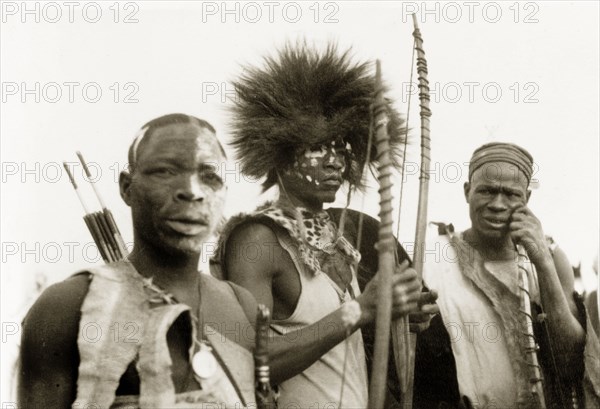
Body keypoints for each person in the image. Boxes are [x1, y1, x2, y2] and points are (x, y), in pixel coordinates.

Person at [212, 43, 437, 407]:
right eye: (319, 147)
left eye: (342, 147)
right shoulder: (258, 240)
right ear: (281, 157)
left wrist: (394, 315)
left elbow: (333, 334)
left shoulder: (339, 238)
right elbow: (250, 360)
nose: (336, 162)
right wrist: (361, 309)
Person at [18, 114, 264, 408]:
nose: (192, 190)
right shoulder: (69, 307)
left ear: (224, 192)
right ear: (126, 188)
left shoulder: (241, 304)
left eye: (210, 176)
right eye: (165, 171)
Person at [414, 142, 600, 408]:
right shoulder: (432, 257)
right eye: (487, 191)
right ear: (467, 192)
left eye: (511, 195)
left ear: (527, 199)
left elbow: (571, 362)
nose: (498, 204)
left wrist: (543, 264)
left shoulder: (549, 257)